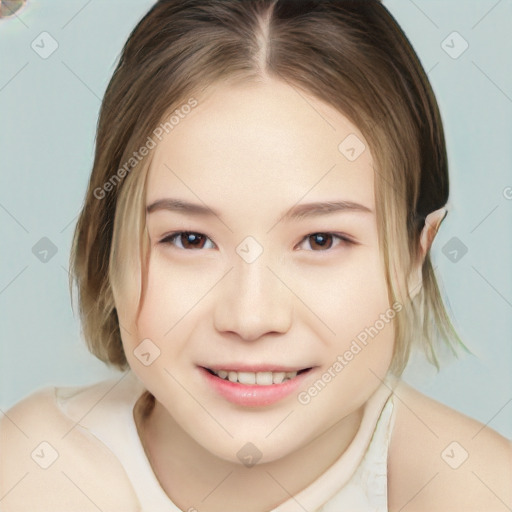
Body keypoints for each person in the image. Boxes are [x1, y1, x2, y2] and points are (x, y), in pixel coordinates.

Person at [1, 1, 510, 510]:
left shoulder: (480, 491)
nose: (251, 317)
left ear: (414, 256)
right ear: (108, 246)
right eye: (190, 239)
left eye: (321, 240)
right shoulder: (30, 475)